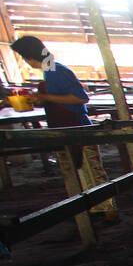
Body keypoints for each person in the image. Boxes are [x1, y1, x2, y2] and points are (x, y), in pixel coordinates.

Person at [10, 34, 116, 220]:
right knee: (82, 171)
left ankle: (109, 209)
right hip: (67, 128)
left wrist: (46, 98)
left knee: (91, 170)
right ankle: (97, 209)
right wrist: (41, 99)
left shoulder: (57, 70)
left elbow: (81, 98)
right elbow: (61, 99)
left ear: (29, 57)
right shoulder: (49, 72)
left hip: (79, 127)